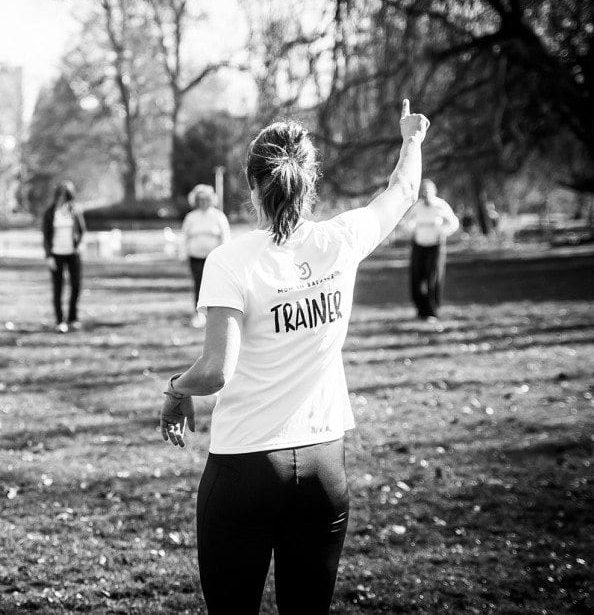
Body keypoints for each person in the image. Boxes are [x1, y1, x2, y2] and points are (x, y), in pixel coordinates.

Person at [158, 100, 430, 614]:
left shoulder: (230, 259)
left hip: (245, 468)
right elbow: (404, 191)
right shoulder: (340, 240)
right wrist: (410, 140)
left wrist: (174, 391)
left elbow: (215, 371)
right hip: (325, 467)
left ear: (253, 185)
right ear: (311, 180)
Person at [403, 178, 459, 320]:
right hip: (419, 245)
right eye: (423, 191)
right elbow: (406, 224)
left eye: (428, 190)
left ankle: (433, 310)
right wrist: (413, 227)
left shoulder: (441, 206)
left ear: (434, 191)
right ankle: (420, 309)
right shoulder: (417, 207)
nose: (425, 193)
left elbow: (454, 223)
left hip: (435, 246)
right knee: (416, 278)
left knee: (432, 278)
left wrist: (442, 230)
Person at [181, 184, 231, 329]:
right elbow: (184, 237)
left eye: (205, 199)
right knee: (198, 284)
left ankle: (215, 314)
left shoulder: (218, 216)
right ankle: (199, 314)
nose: (203, 202)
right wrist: (183, 254)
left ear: (211, 200)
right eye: (200, 200)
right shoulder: (191, 217)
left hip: (213, 258)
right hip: (195, 257)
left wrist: (224, 255)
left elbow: (225, 236)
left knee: (214, 285)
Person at [41, 181, 86, 333]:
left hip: (72, 254)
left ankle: (72, 318)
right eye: (61, 196)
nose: (63, 199)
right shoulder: (50, 212)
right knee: (58, 288)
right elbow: (46, 236)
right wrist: (49, 256)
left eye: (66, 196)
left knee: (76, 286)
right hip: (56, 254)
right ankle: (60, 320)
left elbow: (82, 231)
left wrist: (79, 244)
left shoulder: (75, 212)